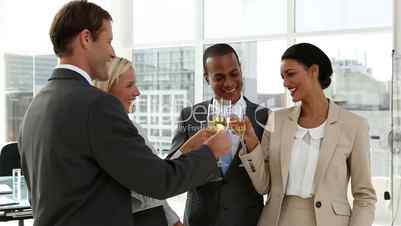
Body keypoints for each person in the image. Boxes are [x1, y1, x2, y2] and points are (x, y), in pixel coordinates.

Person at [17, 1, 231, 226]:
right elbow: (158, 182)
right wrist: (210, 152)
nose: (111, 52)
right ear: (86, 38)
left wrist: (187, 150)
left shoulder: (36, 106)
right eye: (108, 41)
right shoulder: (98, 105)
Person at [238, 43, 377, 226]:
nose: (285, 83)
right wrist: (250, 141)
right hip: (278, 220)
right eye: (282, 77)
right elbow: (263, 185)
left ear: (313, 71)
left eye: (291, 74)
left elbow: (364, 196)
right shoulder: (276, 119)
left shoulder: (354, 125)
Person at [167, 43, 269, 226]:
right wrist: (191, 147)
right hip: (200, 220)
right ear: (207, 78)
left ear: (241, 71)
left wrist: (252, 144)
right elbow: (171, 171)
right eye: (219, 77)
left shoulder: (264, 116)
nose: (229, 83)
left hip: (247, 220)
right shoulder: (189, 117)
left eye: (234, 74)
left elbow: (268, 179)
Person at [94, 57, 184, 226]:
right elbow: (151, 184)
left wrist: (174, 221)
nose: (137, 92)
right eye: (129, 85)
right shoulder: (111, 133)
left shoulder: (133, 127)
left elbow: (152, 188)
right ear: (107, 89)